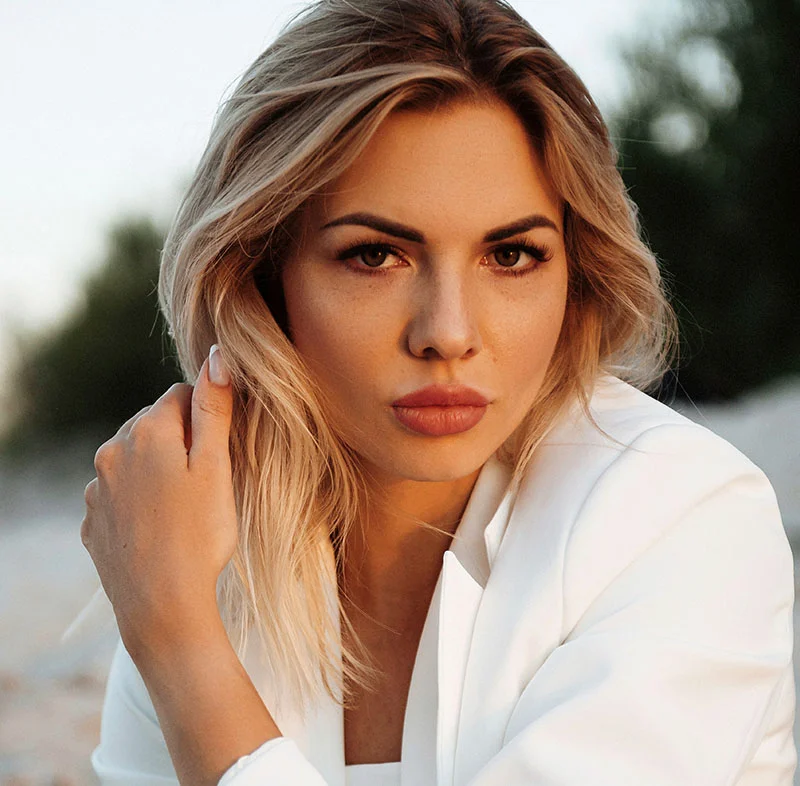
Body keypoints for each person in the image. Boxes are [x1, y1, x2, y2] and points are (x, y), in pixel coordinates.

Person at [78, 0, 796, 784]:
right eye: (376, 255)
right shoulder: (202, 562)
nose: (448, 333)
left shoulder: (685, 516)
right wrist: (182, 618)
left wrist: (184, 650)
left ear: (575, 273)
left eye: (513, 255)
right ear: (260, 276)